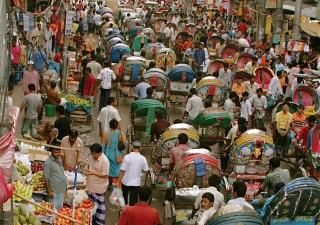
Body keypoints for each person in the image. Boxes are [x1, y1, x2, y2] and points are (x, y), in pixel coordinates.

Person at [116, 141, 149, 206]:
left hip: (126, 182)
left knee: (124, 200)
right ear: (140, 148)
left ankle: (124, 212)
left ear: (132, 147)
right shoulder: (143, 158)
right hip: (135, 183)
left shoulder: (127, 157)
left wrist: (118, 181)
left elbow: (122, 170)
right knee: (133, 201)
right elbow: (146, 170)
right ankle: (132, 213)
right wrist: (140, 168)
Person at [85, 143, 110, 225]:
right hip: (91, 186)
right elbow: (88, 164)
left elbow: (105, 175)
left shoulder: (105, 161)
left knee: (99, 205)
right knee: (91, 204)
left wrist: (93, 173)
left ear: (100, 153)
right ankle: (92, 219)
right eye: (92, 154)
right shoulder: (92, 157)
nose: (93, 156)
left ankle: (100, 222)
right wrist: (86, 167)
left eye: (94, 154)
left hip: (99, 187)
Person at [101, 119, 128, 189]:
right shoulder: (120, 133)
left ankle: (109, 184)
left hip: (108, 155)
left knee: (109, 169)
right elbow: (126, 143)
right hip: (117, 156)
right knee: (115, 172)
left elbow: (103, 146)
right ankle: (114, 186)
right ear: (117, 126)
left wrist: (102, 155)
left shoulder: (106, 133)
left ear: (110, 125)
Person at [43, 144, 67, 209]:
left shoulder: (59, 159)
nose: (58, 154)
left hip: (61, 189)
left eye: (59, 152)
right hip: (54, 191)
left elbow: (65, 168)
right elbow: (46, 178)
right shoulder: (48, 163)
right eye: (56, 152)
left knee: (60, 209)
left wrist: (63, 157)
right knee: (53, 209)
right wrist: (49, 191)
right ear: (51, 151)